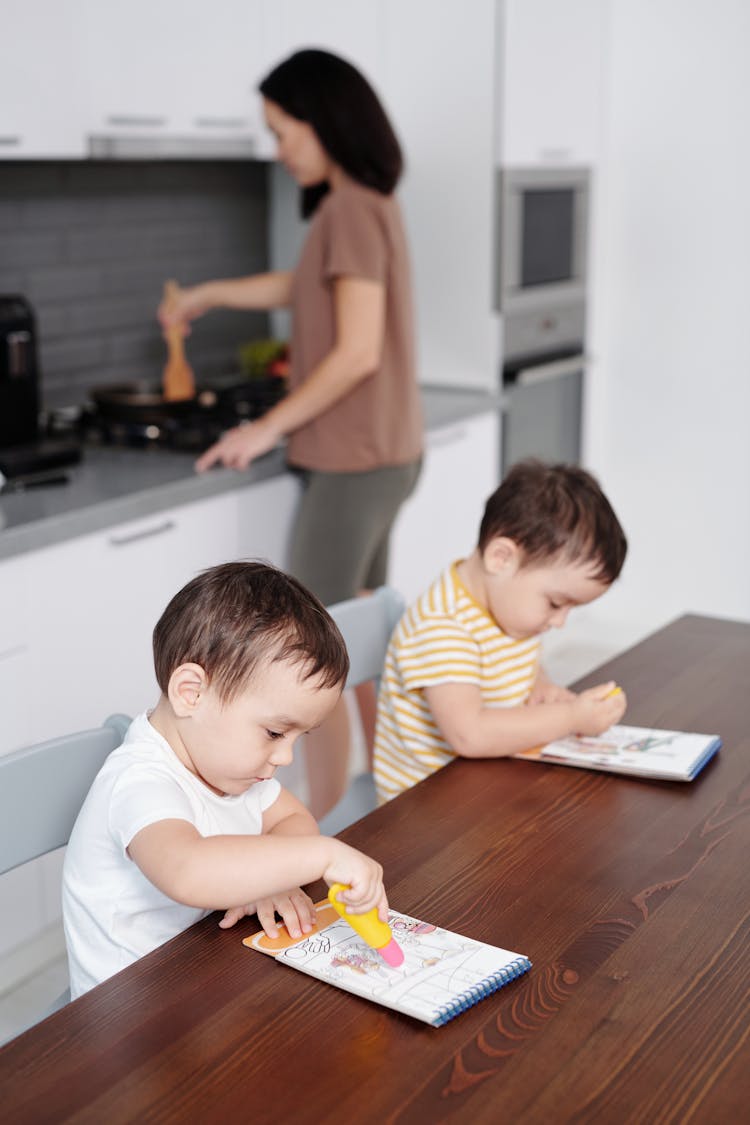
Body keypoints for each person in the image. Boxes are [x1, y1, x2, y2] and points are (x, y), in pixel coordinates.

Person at [158, 49, 423, 820]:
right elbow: (302, 288)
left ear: (324, 121)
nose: (278, 150)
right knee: (364, 629)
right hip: (384, 452)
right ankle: (389, 797)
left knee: (314, 656)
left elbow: (358, 348)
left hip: (352, 460)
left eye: (283, 131)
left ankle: (334, 814)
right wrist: (210, 294)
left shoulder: (347, 208)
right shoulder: (365, 202)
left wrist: (264, 427)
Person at [62, 561, 389, 999]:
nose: (286, 756)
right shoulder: (138, 781)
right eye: (275, 732)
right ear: (191, 693)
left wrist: (273, 880)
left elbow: (293, 820)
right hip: (124, 1021)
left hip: (200, 983)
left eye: (297, 736)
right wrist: (321, 857)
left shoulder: (229, 767)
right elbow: (187, 870)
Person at [373, 460, 629, 803]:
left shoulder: (508, 610)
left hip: (486, 785)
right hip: (426, 813)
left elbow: (518, 658)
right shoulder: (442, 626)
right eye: (556, 603)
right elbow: (470, 734)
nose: (559, 622)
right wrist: (570, 718)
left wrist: (539, 685)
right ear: (501, 558)